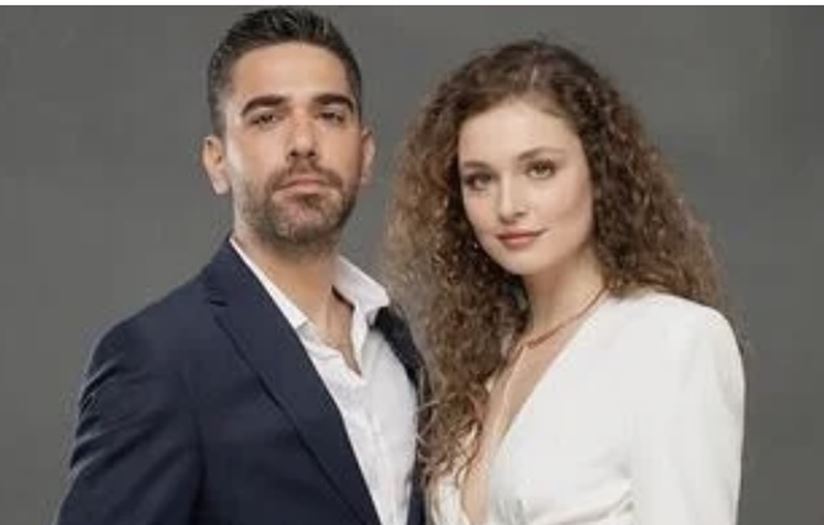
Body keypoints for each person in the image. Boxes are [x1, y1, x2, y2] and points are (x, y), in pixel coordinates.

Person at [56, 8, 423, 525]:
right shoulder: (158, 360)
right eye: (267, 117)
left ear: (364, 154)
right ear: (217, 161)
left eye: (330, 115)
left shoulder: (397, 345)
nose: (303, 143)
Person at [384, 39, 745, 525]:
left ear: (599, 170)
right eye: (480, 179)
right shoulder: (488, 362)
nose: (508, 205)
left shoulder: (673, 340)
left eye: (540, 169)